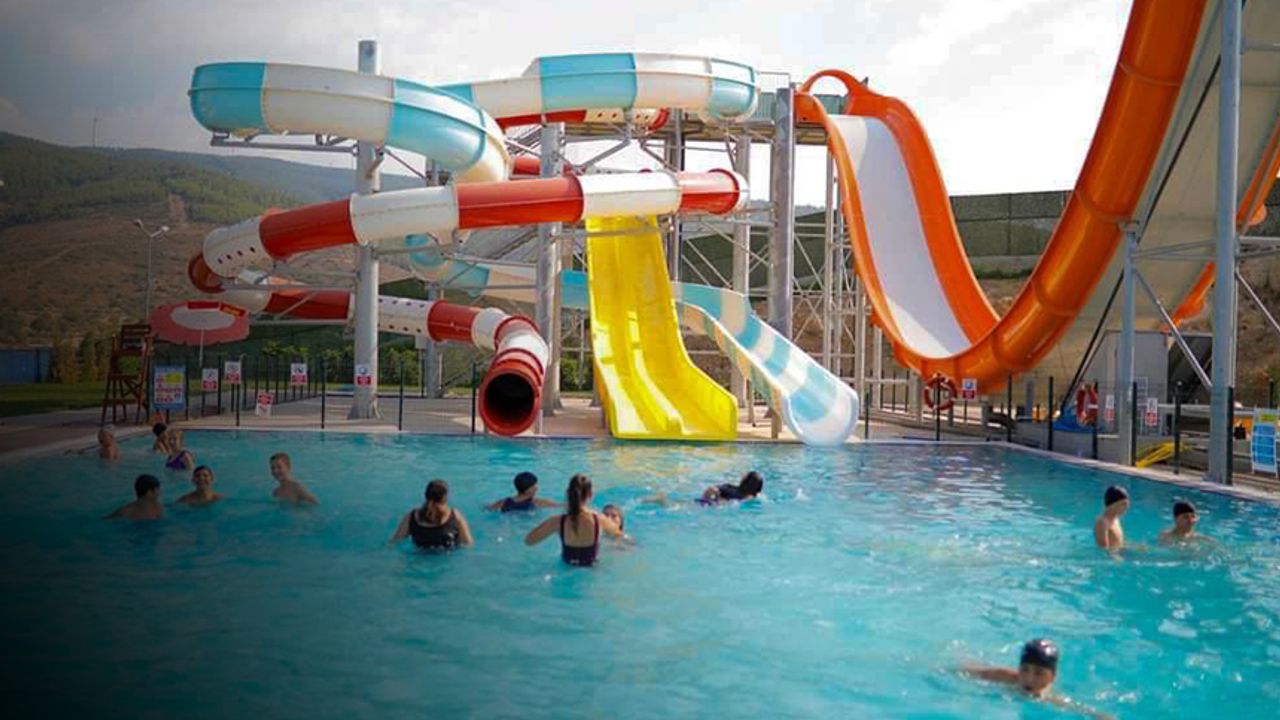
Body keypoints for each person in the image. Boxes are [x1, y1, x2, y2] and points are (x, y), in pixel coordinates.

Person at [961, 639, 1113, 719]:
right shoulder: (1005, 676)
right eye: (1025, 669)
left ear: (1052, 677)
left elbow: (1091, 712)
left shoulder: (1050, 700)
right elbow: (963, 670)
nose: (1029, 678)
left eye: (1039, 673)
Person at [525, 474, 624, 566]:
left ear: (568, 494)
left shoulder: (557, 521)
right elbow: (620, 535)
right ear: (590, 494)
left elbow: (529, 541)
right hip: (592, 572)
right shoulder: (599, 520)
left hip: (565, 570)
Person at [390, 479, 474, 550]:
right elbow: (468, 544)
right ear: (445, 498)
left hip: (419, 559)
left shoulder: (412, 516)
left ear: (426, 496)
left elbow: (394, 542)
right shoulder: (455, 516)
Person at [645, 470, 766, 508]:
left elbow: (711, 489)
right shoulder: (750, 497)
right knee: (678, 506)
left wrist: (708, 498)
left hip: (709, 503)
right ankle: (662, 501)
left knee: (682, 504)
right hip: (711, 505)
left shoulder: (730, 487)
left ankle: (662, 500)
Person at [485, 471, 559, 512]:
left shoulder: (504, 502)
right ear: (529, 490)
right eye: (534, 485)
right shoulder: (537, 502)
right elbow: (559, 506)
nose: (537, 488)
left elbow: (487, 508)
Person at [1093, 485, 1129, 551]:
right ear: (1113, 504)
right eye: (1124, 504)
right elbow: (1103, 551)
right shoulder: (1102, 523)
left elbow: (1118, 543)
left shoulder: (1116, 520)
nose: (1127, 507)